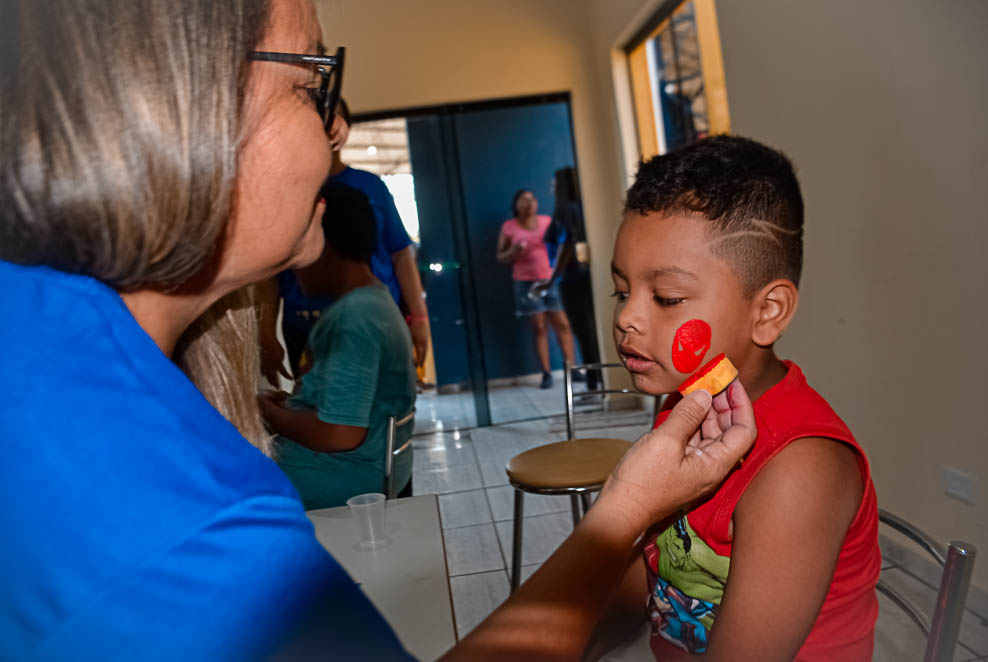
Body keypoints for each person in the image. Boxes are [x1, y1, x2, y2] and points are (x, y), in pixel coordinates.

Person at [0, 0, 755, 658]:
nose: (337, 130)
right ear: (179, 109)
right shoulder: (190, 532)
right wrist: (623, 514)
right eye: (310, 85)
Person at [589, 136, 881, 661]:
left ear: (767, 311)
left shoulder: (798, 471)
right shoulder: (690, 402)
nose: (626, 318)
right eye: (621, 290)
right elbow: (652, 568)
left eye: (667, 298)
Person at [259, 182, 416, 509]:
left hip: (337, 479)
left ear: (322, 244)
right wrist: (292, 406)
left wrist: (269, 414)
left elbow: (340, 433)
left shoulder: (352, 319)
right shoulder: (374, 302)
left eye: (295, 249)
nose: (291, 265)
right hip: (370, 469)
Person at [260, 99, 430, 385]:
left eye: (333, 117)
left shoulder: (371, 186)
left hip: (371, 318)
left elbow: (401, 254)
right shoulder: (282, 192)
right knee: (315, 408)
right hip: (305, 323)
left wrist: (419, 319)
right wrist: (266, 332)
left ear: (344, 126)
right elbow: (270, 271)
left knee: (373, 408)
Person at [496, 188, 576, 389]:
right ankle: (546, 373)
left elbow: (562, 247)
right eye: (523, 200)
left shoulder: (547, 222)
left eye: (532, 199)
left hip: (550, 280)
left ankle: (573, 370)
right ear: (516, 205)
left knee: (563, 325)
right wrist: (513, 252)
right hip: (525, 283)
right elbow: (500, 257)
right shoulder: (509, 227)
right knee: (539, 327)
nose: (528, 203)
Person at [537, 166, 603, 390]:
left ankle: (595, 382)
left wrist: (550, 279)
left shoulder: (566, 210)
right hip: (580, 277)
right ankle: (596, 380)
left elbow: (567, 245)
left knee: (583, 331)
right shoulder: (582, 208)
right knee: (589, 330)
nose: (551, 188)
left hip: (573, 278)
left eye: (554, 183)